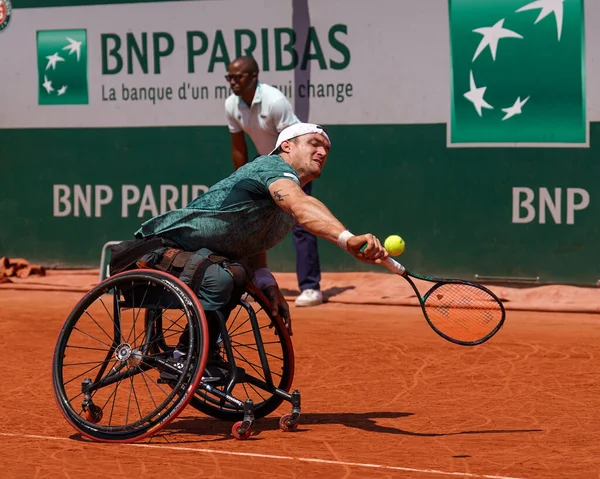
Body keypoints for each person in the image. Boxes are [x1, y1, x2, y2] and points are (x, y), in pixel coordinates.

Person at [121, 123, 388, 381]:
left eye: (327, 149)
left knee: (235, 274)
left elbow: (252, 243)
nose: (322, 152)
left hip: (198, 260)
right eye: (314, 144)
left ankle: (203, 354)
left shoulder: (288, 199)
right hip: (155, 251)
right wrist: (347, 239)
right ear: (287, 146)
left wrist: (269, 285)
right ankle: (184, 355)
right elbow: (302, 206)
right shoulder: (271, 167)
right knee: (222, 277)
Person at [224, 55, 324, 308]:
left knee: (299, 221)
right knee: (248, 219)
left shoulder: (275, 102)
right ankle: (250, 281)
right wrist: (242, 177)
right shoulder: (231, 105)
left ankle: (311, 288)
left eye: (238, 77)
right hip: (263, 161)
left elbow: (296, 143)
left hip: (293, 161)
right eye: (229, 77)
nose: (232, 82)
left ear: (254, 77)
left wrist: (292, 176)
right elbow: (238, 145)